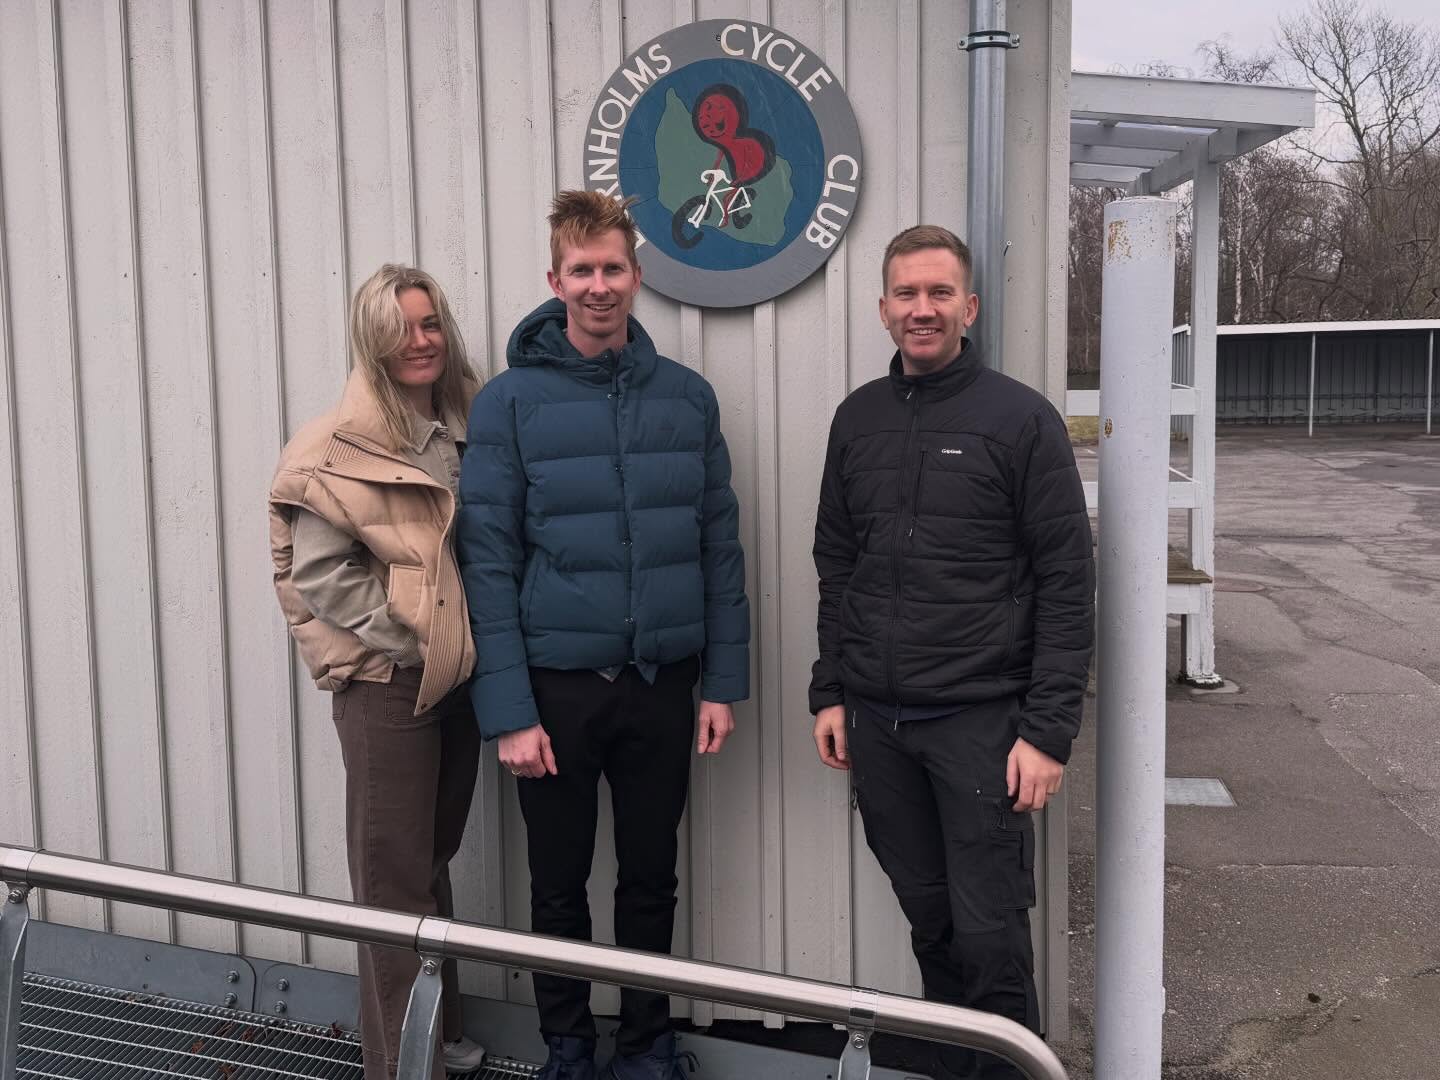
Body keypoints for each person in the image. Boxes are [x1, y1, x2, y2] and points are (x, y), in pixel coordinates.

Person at [457, 190, 750, 1080]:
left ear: (636, 275)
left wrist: (722, 682)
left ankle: (647, 1044)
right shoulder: (508, 405)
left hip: (662, 682)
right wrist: (510, 711)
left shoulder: (687, 400)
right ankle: (569, 1048)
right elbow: (488, 561)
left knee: (651, 877)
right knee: (557, 883)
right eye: (580, 270)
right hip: (555, 691)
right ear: (555, 281)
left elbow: (718, 545)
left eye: (612, 268)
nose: (598, 286)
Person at [809, 226, 1094, 1079]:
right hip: (880, 726)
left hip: (982, 728)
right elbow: (838, 565)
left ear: (969, 307)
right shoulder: (857, 419)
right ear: (883, 308)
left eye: (939, 293)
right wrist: (832, 691)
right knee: (931, 928)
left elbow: (1068, 582)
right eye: (907, 293)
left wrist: (1046, 733)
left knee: (991, 939)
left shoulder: (1020, 421)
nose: (922, 309)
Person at [268, 265, 487, 1080]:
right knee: (392, 881)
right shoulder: (334, 445)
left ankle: (438, 1034)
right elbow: (320, 572)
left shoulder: (468, 421)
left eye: (429, 324)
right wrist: (414, 641)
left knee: (429, 860)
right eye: (400, 329)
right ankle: (399, 1063)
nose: (419, 341)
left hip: (461, 676)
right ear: (371, 340)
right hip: (389, 683)